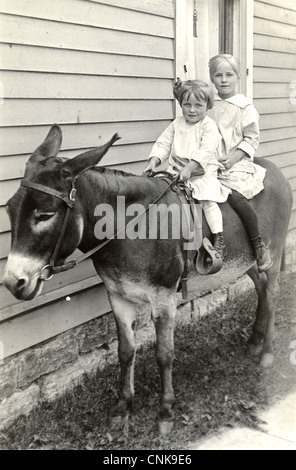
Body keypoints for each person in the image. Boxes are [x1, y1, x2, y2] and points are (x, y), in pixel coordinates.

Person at [144, 78, 231, 260]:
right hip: (176, 171)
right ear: (181, 105)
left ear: (207, 106)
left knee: (207, 202)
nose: (191, 110)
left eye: (198, 105)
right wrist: (154, 161)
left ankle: (219, 238)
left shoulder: (208, 126)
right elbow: (163, 143)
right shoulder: (177, 124)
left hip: (201, 172)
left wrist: (191, 167)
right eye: (187, 104)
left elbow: (206, 149)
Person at [207, 54, 272, 272]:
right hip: (210, 164)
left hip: (235, 164)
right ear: (211, 78)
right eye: (218, 75)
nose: (224, 80)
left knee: (234, 196)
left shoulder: (245, 107)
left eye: (229, 75)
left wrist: (235, 156)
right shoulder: (209, 105)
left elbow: (252, 138)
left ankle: (258, 245)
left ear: (237, 77)